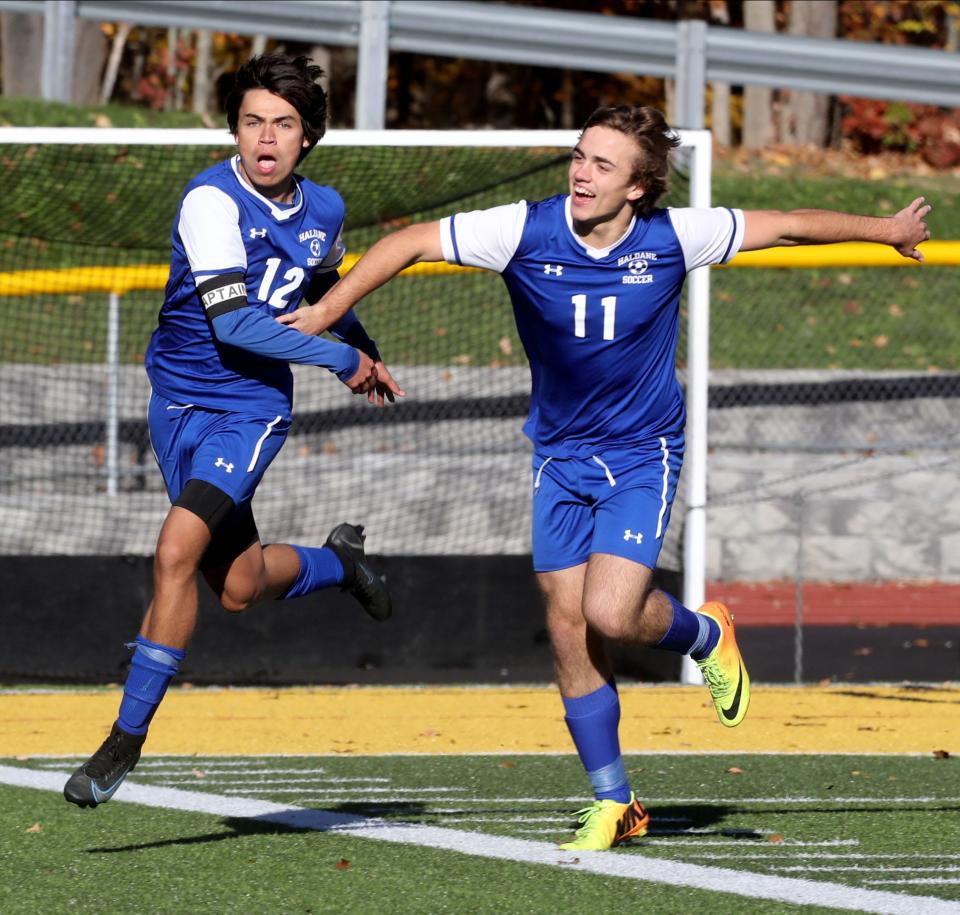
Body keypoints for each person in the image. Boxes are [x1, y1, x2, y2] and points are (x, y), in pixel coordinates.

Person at [279, 104, 931, 851]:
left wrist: (886, 230)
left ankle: (705, 632)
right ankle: (614, 800)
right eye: (581, 156)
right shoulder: (524, 228)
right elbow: (408, 243)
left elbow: (786, 224)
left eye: (603, 165)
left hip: (639, 451)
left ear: (639, 189)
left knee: (613, 613)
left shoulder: (674, 237)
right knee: (566, 626)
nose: (582, 173)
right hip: (558, 455)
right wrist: (327, 310)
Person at [64, 53, 404, 809]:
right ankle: (339, 564)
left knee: (174, 550)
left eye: (283, 124)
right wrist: (339, 357)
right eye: (253, 121)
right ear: (236, 129)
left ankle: (125, 738)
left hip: (250, 410)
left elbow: (320, 289)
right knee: (239, 585)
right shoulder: (210, 201)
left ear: (308, 137)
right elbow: (234, 319)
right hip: (174, 404)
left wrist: (363, 344)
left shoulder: (324, 209)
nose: (266, 137)